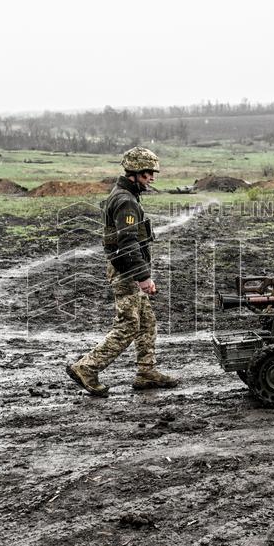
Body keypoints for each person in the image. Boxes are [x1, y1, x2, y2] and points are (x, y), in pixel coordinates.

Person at [65, 147, 180, 397]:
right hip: (126, 272)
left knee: (147, 322)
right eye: (148, 173)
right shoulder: (126, 201)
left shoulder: (126, 195)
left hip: (128, 269)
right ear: (135, 173)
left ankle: (146, 372)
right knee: (128, 325)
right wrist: (144, 277)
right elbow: (127, 244)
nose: (152, 178)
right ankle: (86, 367)